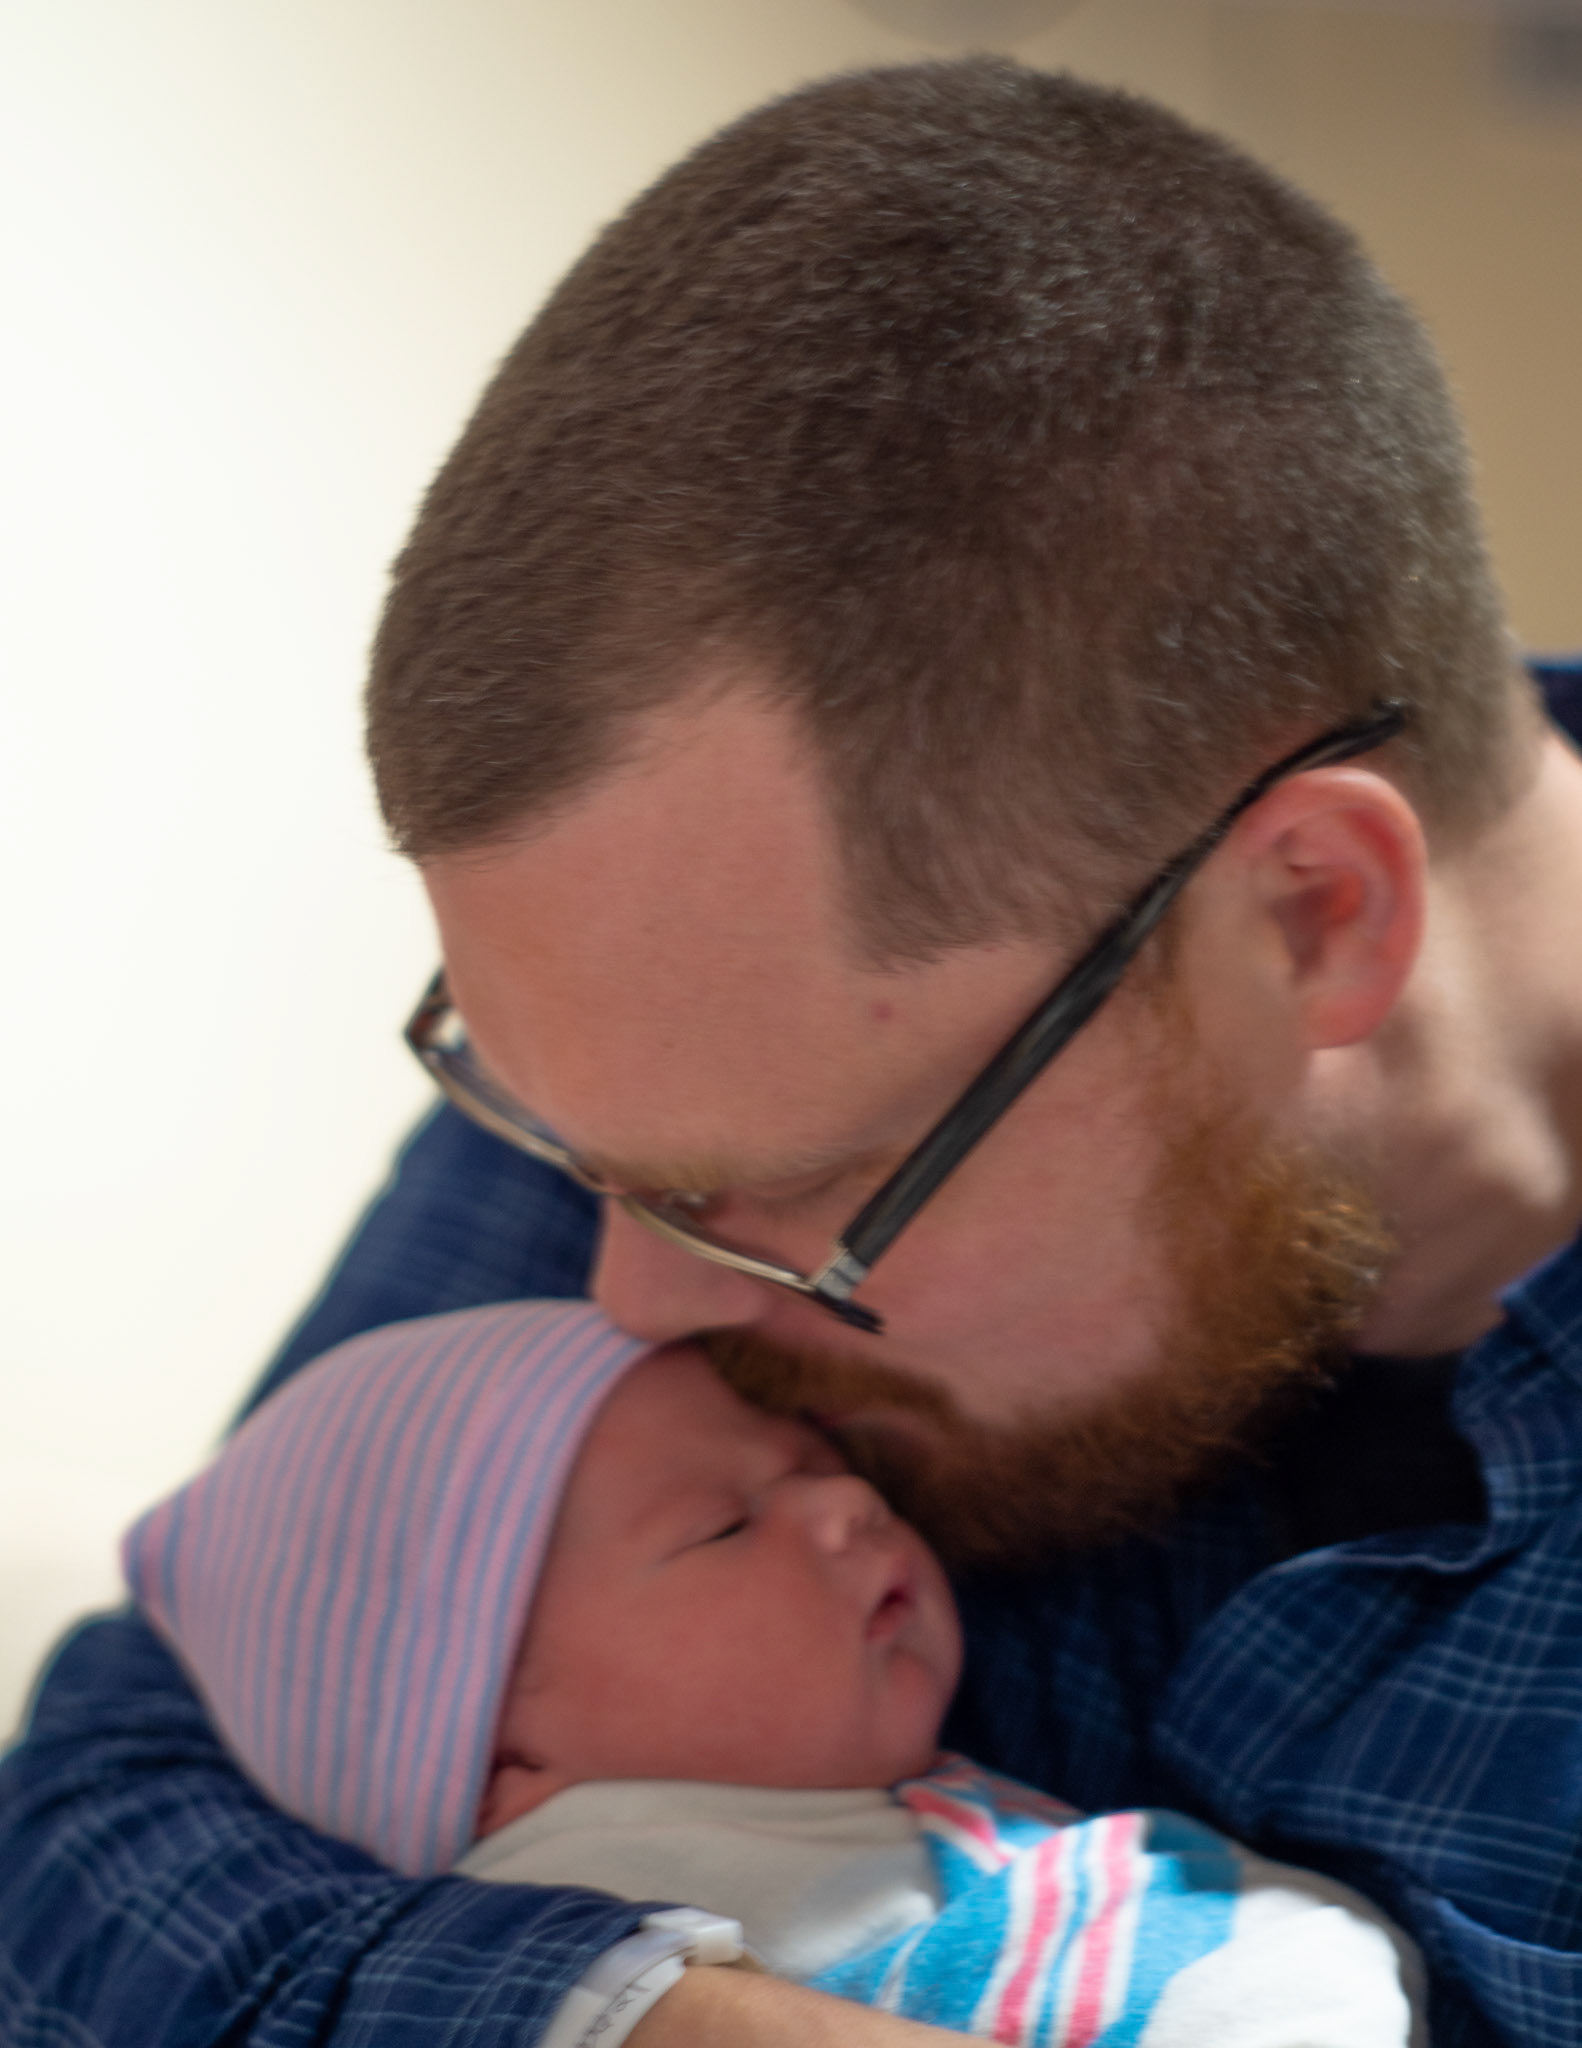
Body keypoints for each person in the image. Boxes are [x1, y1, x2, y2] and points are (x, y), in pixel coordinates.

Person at [3, 53, 1581, 2048]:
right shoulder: (712, 1049)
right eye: (567, 1149)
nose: (626, 1307)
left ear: (1309, 915)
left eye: (792, 1190)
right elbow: (109, 1808)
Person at [122, 1297, 1424, 2048]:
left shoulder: (841, 1835)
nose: (846, 1504)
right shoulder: (630, 1885)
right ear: (499, 1760)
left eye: (811, 1462)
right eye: (724, 1525)